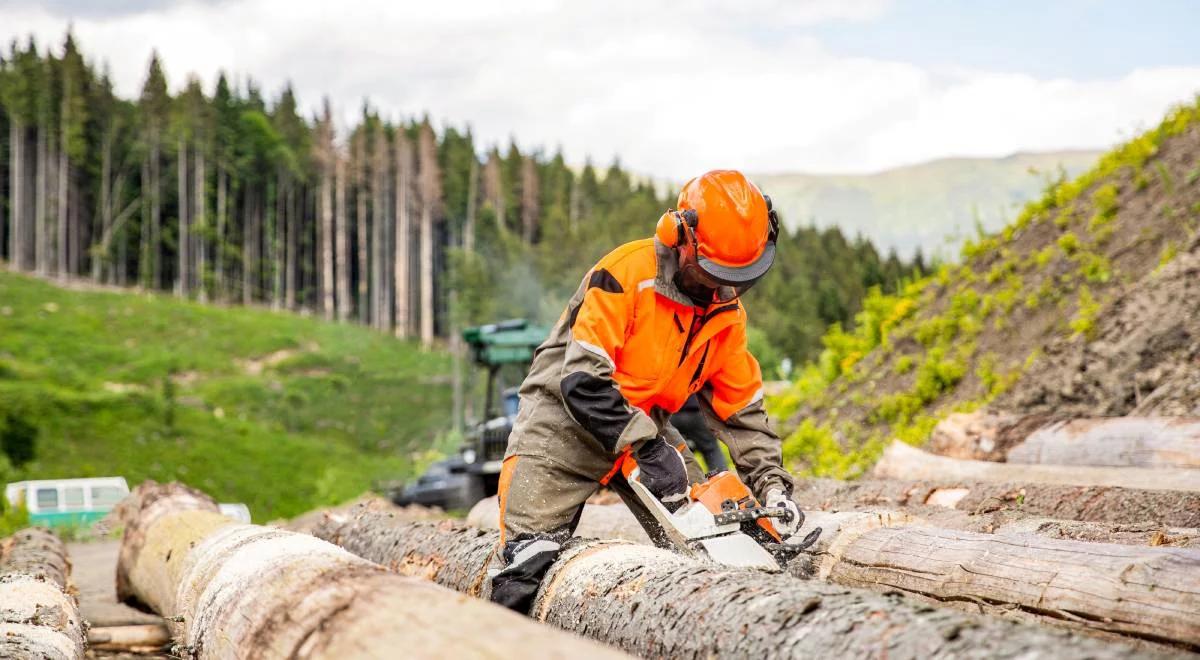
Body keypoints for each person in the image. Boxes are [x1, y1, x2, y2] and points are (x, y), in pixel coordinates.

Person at [490, 170, 800, 614]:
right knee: (523, 571)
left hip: (646, 427)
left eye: (738, 276)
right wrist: (650, 448)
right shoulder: (626, 274)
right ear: (679, 238)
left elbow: (742, 410)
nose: (722, 287)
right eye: (712, 272)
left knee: (720, 539)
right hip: (562, 424)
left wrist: (771, 485)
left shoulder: (726, 313)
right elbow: (583, 381)